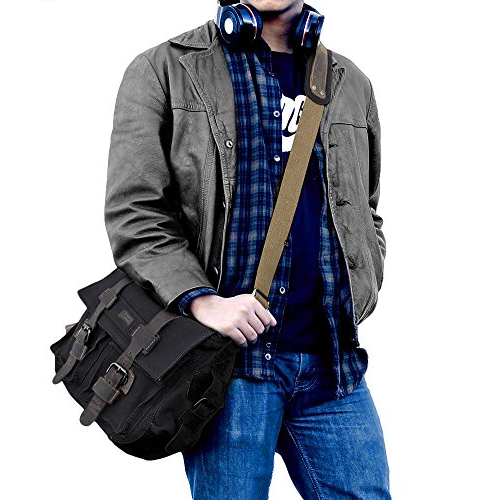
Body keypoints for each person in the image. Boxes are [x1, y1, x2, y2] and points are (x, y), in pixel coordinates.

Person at [104, 1, 390, 498]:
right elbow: (135, 212)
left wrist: (362, 285)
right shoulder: (165, 69)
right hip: (230, 370)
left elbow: (366, 208)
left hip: (333, 365)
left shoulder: (350, 82)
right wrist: (199, 300)